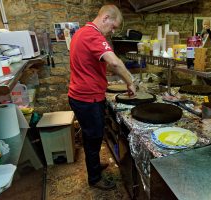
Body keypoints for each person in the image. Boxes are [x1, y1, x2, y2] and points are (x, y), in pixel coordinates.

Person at [68, 5, 136, 190]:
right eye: (113, 26)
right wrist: (130, 81)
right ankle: (95, 178)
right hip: (87, 99)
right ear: (105, 18)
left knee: (93, 137)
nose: (113, 31)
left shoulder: (81, 32)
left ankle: (95, 166)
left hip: (81, 96)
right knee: (93, 138)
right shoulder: (93, 35)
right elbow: (114, 62)